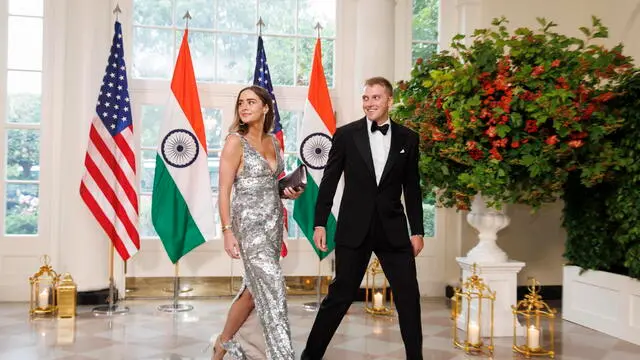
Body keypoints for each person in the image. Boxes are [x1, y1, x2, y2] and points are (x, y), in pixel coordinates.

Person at [301, 77, 425, 360]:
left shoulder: (408, 138)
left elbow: (412, 187)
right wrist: (320, 222)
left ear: (389, 101)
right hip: (353, 228)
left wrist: (417, 230)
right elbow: (329, 181)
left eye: (376, 98)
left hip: (393, 230)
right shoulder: (345, 134)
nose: (369, 103)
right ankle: (310, 356)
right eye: (366, 98)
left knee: (409, 299)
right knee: (339, 297)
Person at [212, 85, 302, 360]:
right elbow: (224, 191)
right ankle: (281, 355)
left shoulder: (273, 141)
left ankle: (222, 344)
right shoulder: (234, 142)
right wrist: (227, 231)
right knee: (273, 285)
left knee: (252, 290)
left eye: (251, 102)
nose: (244, 107)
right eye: (241, 103)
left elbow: (271, 185)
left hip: (273, 221)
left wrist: (288, 190)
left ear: (266, 107)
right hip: (248, 224)